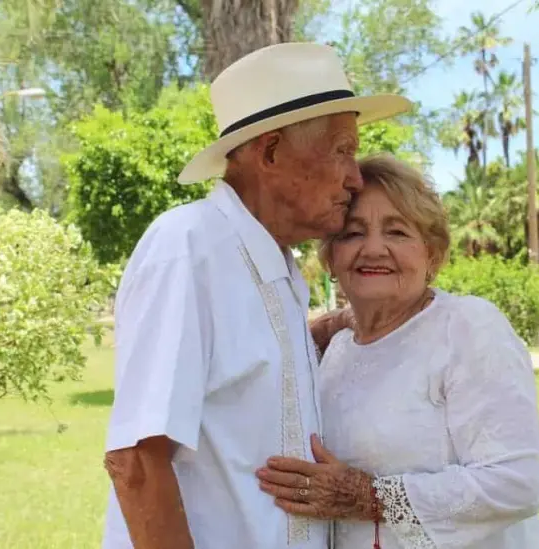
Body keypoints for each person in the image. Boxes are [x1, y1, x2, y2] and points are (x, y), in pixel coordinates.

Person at [100, 44, 411, 549]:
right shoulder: (190, 246)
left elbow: (240, 382)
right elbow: (135, 458)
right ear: (269, 153)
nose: (355, 178)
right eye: (342, 150)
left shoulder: (279, 269)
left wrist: (316, 335)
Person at [256, 154, 539, 548]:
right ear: (331, 259)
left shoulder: (465, 327)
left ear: (431, 253)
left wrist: (368, 497)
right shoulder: (337, 350)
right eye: (352, 233)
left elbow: (516, 483)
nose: (373, 249)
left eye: (396, 232)